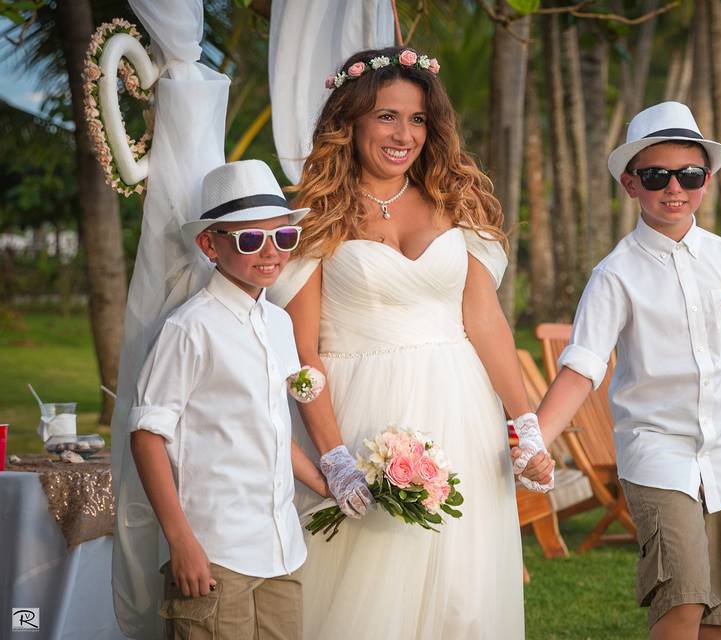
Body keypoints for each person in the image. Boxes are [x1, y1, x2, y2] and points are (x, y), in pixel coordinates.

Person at [267, 47, 553, 639]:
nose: (404, 134)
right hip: (359, 408)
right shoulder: (315, 214)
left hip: (462, 413)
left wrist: (526, 425)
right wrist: (335, 458)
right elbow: (303, 352)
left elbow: (487, 322)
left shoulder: (456, 202)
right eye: (387, 116)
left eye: (418, 119)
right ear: (350, 123)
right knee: (364, 584)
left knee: (462, 587)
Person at [520, 102, 721, 639]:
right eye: (656, 175)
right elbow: (581, 370)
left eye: (689, 175)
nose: (674, 187)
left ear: (706, 180)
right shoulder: (615, 274)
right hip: (659, 454)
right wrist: (533, 441)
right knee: (682, 600)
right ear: (629, 183)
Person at [129, 160, 329, 640]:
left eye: (282, 239)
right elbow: (147, 437)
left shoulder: (279, 323)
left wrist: (326, 484)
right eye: (249, 240)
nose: (270, 253)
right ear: (209, 245)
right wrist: (182, 541)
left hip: (281, 547)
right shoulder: (189, 328)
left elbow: (272, 426)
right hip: (215, 551)